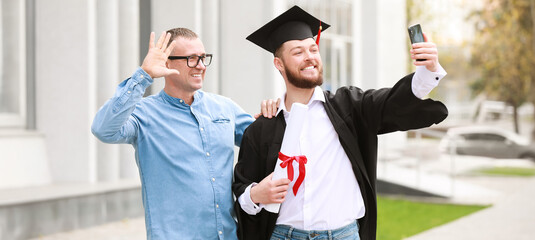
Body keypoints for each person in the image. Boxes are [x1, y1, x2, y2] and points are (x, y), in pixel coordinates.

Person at [232, 6, 448, 240]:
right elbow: (241, 192)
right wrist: (255, 195)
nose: (309, 57)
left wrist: (428, 71)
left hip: (343, 235)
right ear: (279, 64)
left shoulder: (349, 107)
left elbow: (392, 102)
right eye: (297, 52)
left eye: (313, 49)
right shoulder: (263, 128)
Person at [91, 28, 276, 240]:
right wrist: (143, 76)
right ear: (166, 63)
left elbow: (265, 144)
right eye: (191, 59)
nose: (200, 66)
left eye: (203, 58)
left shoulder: (224, 108)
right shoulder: (144, 114)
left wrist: (274, 112)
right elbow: (103, 129)